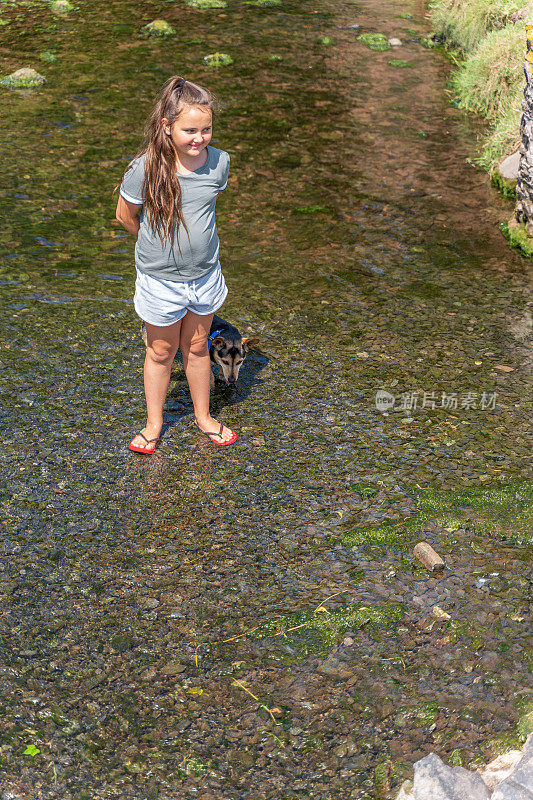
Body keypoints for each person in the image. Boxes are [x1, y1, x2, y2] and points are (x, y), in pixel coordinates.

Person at [115, 75, 237, 454]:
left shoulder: (219, 162)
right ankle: (154, 425)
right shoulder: (146, 167)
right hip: (160, 279)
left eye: (206, 129)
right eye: (189, 130)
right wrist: (154, 247)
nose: (199, 138)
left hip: (204, 275)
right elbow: (125, 216)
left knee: (198, 347)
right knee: (161, 352)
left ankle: (203, 417)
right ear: (167, 127)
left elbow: (207, 205)